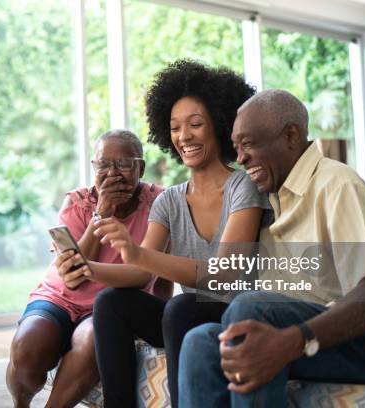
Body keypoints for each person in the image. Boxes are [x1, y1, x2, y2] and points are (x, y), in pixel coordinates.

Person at [179, 89, 365, 407]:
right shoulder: (265, 197)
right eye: (236, 148)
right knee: (198, 343)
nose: (241, 158)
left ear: (291, 136)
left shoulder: (336, 184)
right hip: (316, 335)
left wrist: (294, 340)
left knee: (253, 309)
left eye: (248, 144)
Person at [91, 60, 272, 407]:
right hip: (188, 312)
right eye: (175, 127)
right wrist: (89, 270)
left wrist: (139, 253)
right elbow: (140, 272)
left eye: (195, 124)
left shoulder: (244, 187)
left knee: (179, 306)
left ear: (219, 125)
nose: (183, 136)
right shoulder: (169, 201)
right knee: (111, 302)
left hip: (237, 311)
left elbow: (226, 273)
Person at [6, 129, 164, 408]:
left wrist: (157, 316)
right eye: (103, 164)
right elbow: (74, 279)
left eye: (124, 164)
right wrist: (101, 214)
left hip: (109, 307)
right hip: (60, 297)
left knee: (91, 340)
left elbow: (156, 274)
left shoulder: (157, 204)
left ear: (141, 166)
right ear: (94, 167)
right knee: (27, 350)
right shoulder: (77, 203)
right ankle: (21, 402)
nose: (112, 173)